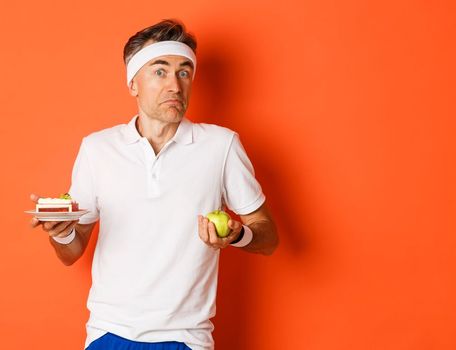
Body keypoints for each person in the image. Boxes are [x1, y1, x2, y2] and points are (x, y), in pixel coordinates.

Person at [28, 19, 279, 350]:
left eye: (184, 72)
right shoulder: (97, 149)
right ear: (133, 83)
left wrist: (238, 234)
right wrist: (62, 232)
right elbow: (71, 252)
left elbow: (268, 237)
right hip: (108, 333)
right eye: (160, 71)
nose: (175, 85)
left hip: (187, 338)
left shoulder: (221, 146)